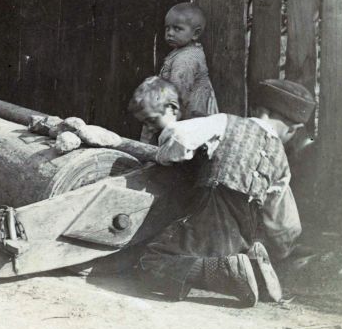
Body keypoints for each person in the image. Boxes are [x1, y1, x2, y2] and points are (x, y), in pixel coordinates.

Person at [130, 77, 312, 307]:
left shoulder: (225, 122)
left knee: (150, 263)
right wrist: (281, 251)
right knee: (218, 250)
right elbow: (284, 223)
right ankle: (249, 262)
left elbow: (180, 135)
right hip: (244, 231)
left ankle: (227, 274)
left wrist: (163, 155)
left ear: (256, 108)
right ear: (293, 129)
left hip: (212, 213)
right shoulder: (282, 163)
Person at [141, 3, 218, 144]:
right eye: (167, 28)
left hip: (189, 116)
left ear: (195, 33)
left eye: (177, 29)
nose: (170, 33)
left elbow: (177, 93)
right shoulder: (183, 51)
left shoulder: (186, 59)